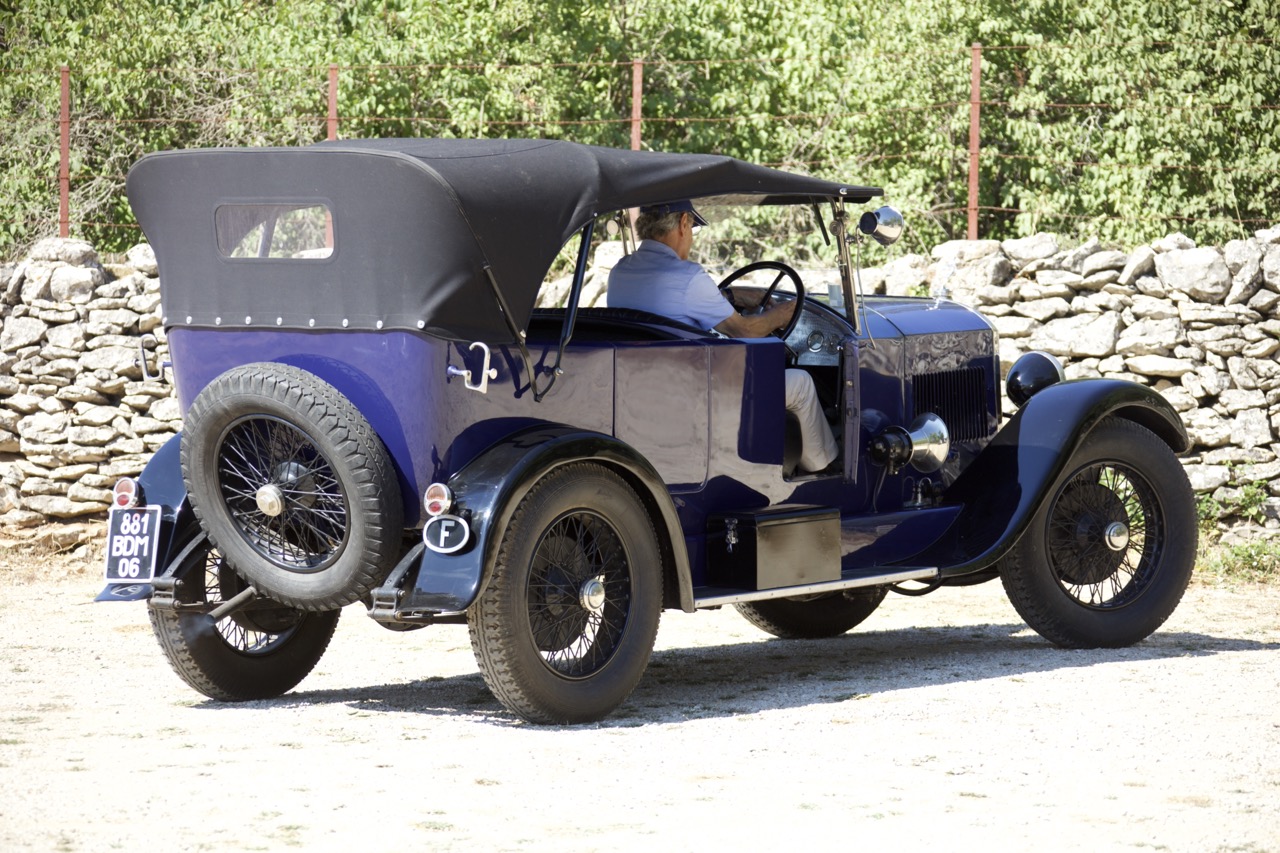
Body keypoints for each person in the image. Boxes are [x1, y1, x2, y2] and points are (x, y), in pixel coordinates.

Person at [607, 200, 839, 474]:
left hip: (644, 388)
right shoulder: (688, 275)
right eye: (692, 227)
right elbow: (745, 331)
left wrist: (731, 296)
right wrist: (782, 315)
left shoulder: (620, 271)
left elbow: (680, 302)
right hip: (699, 395)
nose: (691, 237)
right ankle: (825, 469)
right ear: (683, 223)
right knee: (800, 382)